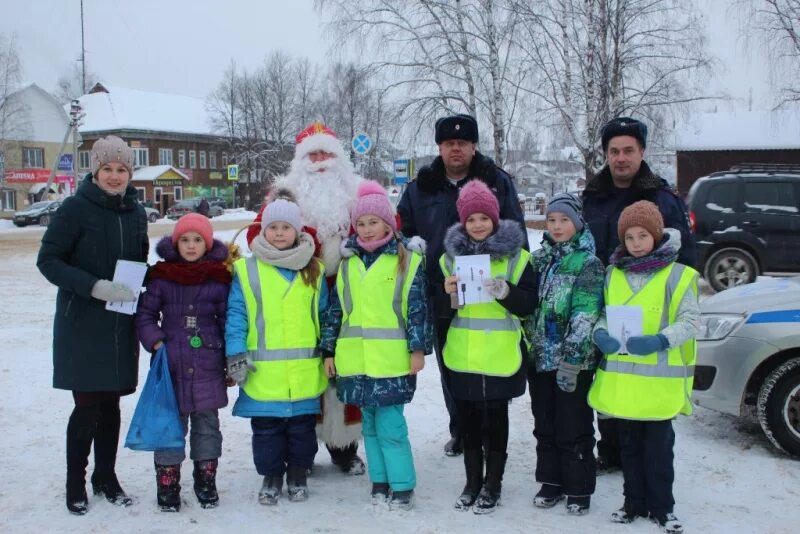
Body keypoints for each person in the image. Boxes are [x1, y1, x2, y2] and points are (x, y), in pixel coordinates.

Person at [397, 114, 525, 457]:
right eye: (449, 143)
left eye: (463, 143)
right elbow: (403, 236)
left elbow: (516, 229)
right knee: (452, 364)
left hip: (491, 288)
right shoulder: (418, 187)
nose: (456, 149)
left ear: (473, 146)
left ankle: (489, 430)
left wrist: (511, 281)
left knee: (492, 362)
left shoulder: (497, 182)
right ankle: (463, 431)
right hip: (441, 289)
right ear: (439, 147)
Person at [37, 135, 149, 515]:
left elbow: (139, 261)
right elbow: (49, 261)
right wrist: (94, 286)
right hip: (82, 324)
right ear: (95, 171)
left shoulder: (136, 212)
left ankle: (106, 476)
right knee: (87, 406)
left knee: (112, 406)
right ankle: (75, 482)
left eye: (122, 169)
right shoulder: (74, 209)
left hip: (120, 324)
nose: (115, 176)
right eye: (108, 169)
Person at [247, 122, 365, 475]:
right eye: (312, 154)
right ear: (301, 160)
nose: (319, 161)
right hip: (301, 296)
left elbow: (384, 227)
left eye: (325, 153)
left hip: (348, 295)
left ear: (338, 157)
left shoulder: (357, 191)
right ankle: (304, 449)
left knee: (344, 369)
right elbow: (260, 233)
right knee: (305, 370)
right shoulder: (285, 194)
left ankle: (344, 447)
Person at [582, 116, 696, 473]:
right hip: (606, 297)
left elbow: (684, 255)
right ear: (606, 154)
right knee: (610, 372)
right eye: (614, 151)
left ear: (641, 152)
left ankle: (648, 454)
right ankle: (612, 450)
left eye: (628, 150)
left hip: (649, 307)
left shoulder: (660, 197)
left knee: (643, 381)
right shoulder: (593, 196)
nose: (621, 158)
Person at [588, 200, 699, 534]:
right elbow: (604, 313)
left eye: (643, 236)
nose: (636, 243)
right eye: (630, 237)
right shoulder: (613, 274)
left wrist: (661, 340)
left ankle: (663, 508)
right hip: (625, 384)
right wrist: (600, 333)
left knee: (659, 452)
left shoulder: (679, 276)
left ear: (657, 235)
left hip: (658, 386)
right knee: (629, 449)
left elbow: (692, 322)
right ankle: (632, 503)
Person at [320, 181, 431, 511]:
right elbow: (336, 312)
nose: (367, 230)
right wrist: (329, 351)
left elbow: (417, 308)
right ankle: (380, 481)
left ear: (389, 223)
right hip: (355, 360)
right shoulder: (349, 263)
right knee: (368, 425)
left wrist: (418, 349)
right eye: (362, 223)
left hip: (391, 359)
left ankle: (402, 485)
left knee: (391, 426)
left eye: (374, 222)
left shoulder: (406, 260)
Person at [439, 180, 535, 513]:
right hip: (463, 354)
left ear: (495, 219)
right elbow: (440, 308)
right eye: (470, 219)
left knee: (496, 424)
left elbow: (529, 304)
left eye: (484, 218)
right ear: (462, 222)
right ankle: (471, 483)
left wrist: (506, 292)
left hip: (499, 356)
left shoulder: (518, 259)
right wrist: (448, 293)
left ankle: (492, 485)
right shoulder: (448, 260)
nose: (478, 225)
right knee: (467, 424)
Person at [226, 196, 329, 505]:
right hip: (263, 372)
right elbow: (237, 315)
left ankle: (298, 473)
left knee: (302, 431)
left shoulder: (315, 270)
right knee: (266, 431)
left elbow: (324, 315)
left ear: (298, 232)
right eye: (273, 227)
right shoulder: (246, 270)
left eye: (287, 227)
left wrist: (329, 352)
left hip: (304, 372)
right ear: (263, 231)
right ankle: (271, 476)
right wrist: (235, 354)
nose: (280, 233)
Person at [135, 213, 232, 512]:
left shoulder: (218, 278)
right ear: (176, 244)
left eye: (197, 240)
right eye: (185, 240)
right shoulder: (162, 276)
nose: (191, 246)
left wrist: (230, 356)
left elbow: (229, 318)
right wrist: (157, 341)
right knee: (170, 425)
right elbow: (145, 314)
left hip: (208, 363)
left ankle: (206, 480)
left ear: (208, 243)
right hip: (171, 363)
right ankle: (167, 484)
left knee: (207, 426)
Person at [526, 193, 604, 516]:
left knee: (573, 425)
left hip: (573, 363)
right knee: (544, 424)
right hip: (540, 358)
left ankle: (579, 487)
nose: (557, 226)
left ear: (578, 222)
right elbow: (528, 305)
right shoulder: (538, 259)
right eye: (552, 220)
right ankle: (551, 480)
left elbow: (585, 314)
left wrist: (572, 361)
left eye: (564, 220)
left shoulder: (588, 263)